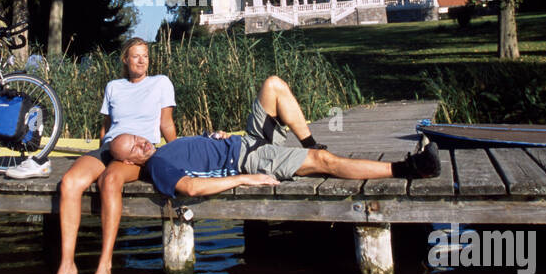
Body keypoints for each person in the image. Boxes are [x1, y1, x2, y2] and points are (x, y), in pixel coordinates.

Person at [108, 75, 441, 199]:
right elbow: (193, 188)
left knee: (273, 85)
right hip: (250, 159)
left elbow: (199, 155)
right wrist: (245, 178)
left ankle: (310, 142)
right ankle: (410, 168)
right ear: (129, 162)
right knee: (324, 162)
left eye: (136, 137)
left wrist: (214, 135)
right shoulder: (159, 167)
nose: (141, 142)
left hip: (246, 139)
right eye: (134, 147)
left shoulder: (164, 149)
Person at [42, 38, 176, 274]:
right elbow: (106, 128)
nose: (142, 61)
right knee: (69, 182)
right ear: (125, 59)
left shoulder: (161, 83)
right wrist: (99, 159)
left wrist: (177, 154)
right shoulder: (113, 87)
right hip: (109, 148)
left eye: (145, 56)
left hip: (138, 152)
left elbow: (166, 124)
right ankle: (67, 264)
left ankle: (105, 265)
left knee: (110, 180)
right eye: (136, 56)